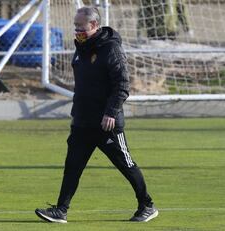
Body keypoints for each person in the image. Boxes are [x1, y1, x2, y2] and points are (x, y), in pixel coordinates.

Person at [35, 6, 158, 223]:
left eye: (80, 27)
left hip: (106, 124)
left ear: (93, 25)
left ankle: (147, 205)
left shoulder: (110, 48)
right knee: (72, 166)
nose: (76, 30)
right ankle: (61, 210)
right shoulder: (80, 48)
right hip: (82, 121)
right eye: (75, 26)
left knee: (126, 164)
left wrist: (110, 112)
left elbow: (122, 84)